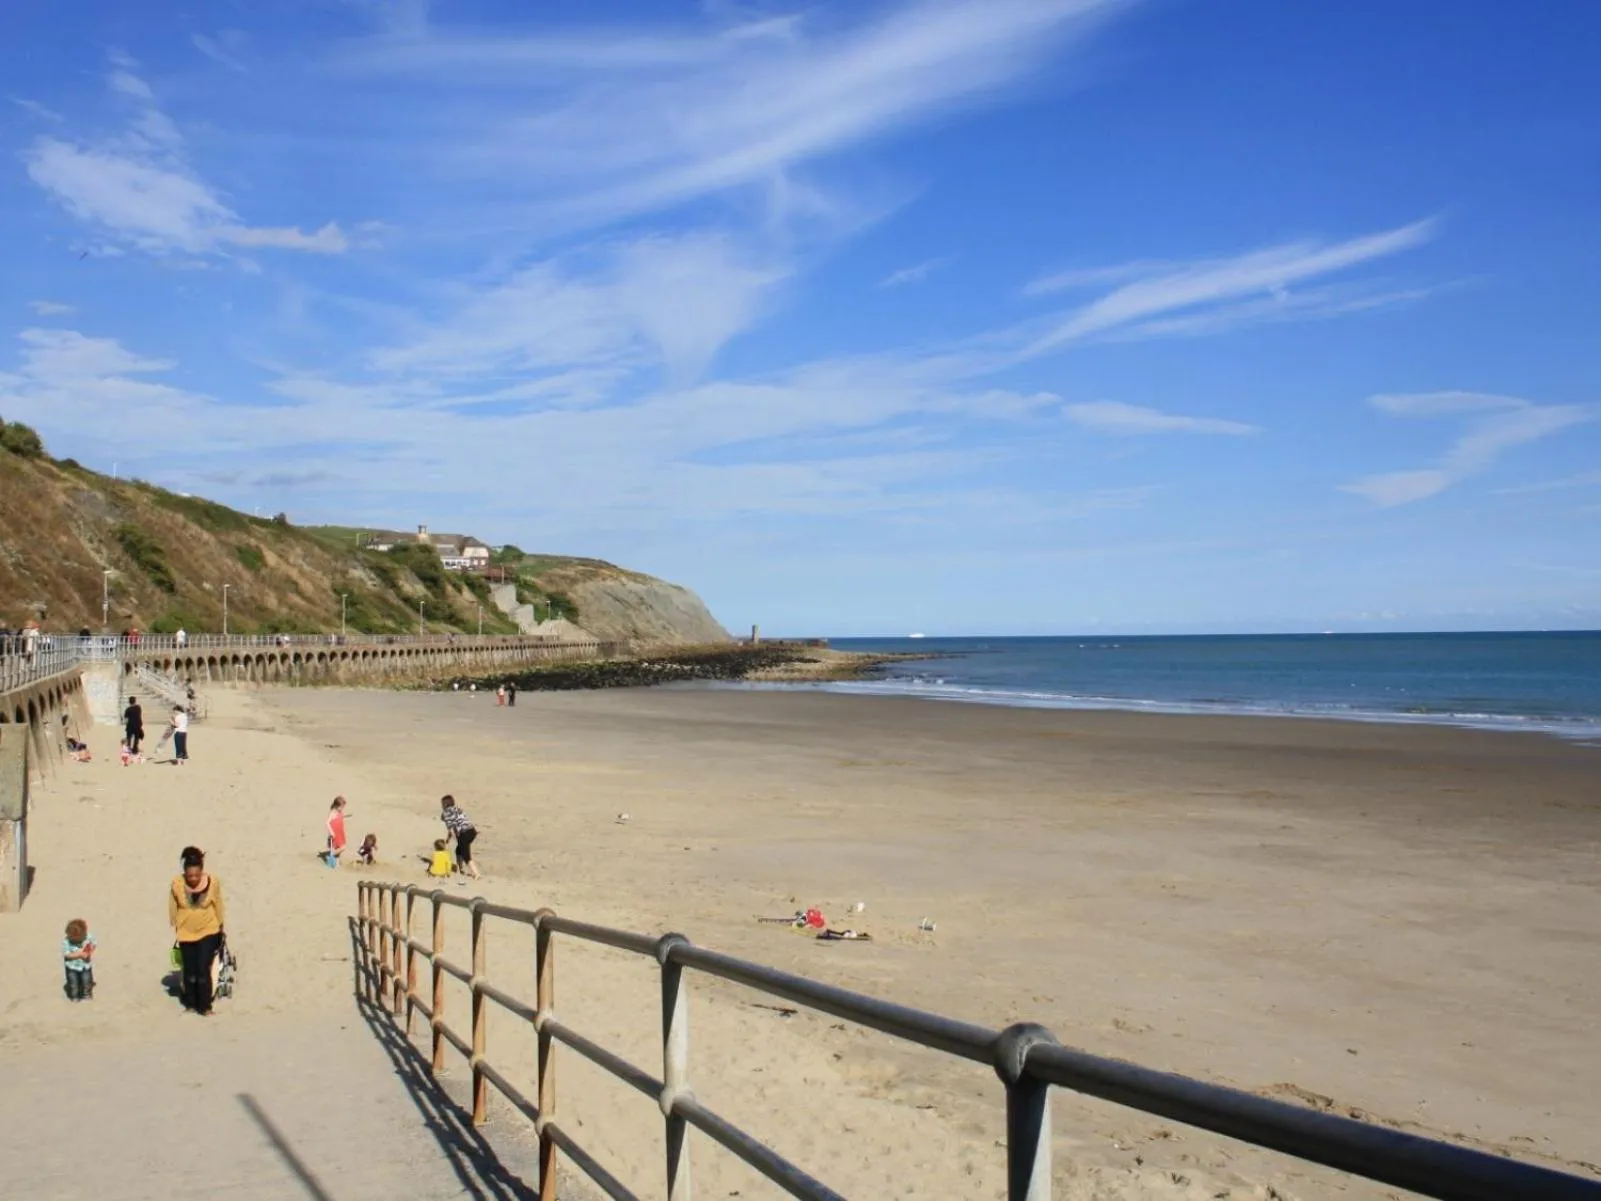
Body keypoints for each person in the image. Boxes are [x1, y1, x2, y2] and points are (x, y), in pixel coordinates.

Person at [169, 848, 225, 1015]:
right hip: (186, 932)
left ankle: (206, 1006)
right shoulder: (177, 884)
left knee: (202, 969)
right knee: (190, 970)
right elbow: (173, 906)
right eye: (190, 876)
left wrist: (221, 925)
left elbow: (219, 904)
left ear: (201, 871)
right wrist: (174, 923)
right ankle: (191, 1004)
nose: (193, 879)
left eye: (196, 875)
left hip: (209, 930)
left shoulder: (213, 882)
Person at [439, 795, 479, 880]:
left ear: (445, 805)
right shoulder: (457, 809)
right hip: (472, 831)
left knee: (466, 855)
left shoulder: (446, 813)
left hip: (464, 833)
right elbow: (456, 825)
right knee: (459, 850)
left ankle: (476, 873)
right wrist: (448, 839)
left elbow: (451, 830)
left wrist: (456, 839)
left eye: (442, 804)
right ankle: (460, 869)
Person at [63, 919, 95, 1001]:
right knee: (73, 984)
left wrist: (88, 951)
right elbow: (67, 955)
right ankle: (75, 996)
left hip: (85, 966)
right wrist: (78, 955)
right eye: (74, 939)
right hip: (72, 967)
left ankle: (87, 994)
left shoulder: (88, 937)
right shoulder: (66, 942)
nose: (77, 941)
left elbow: (93, 944)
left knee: (87, 981)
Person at [325, 796, 349, 867]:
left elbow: (339, 817)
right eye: (341, 807)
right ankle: (332, 854)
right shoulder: (332, 813)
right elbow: (327, 823)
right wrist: (331, 832)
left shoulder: (339, 812)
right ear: (336, 805)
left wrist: (343, 816)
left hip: (340, 833)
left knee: (339, 848)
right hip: (335, 834)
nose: (342, 809)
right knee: (342, 848)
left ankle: (337, 861)